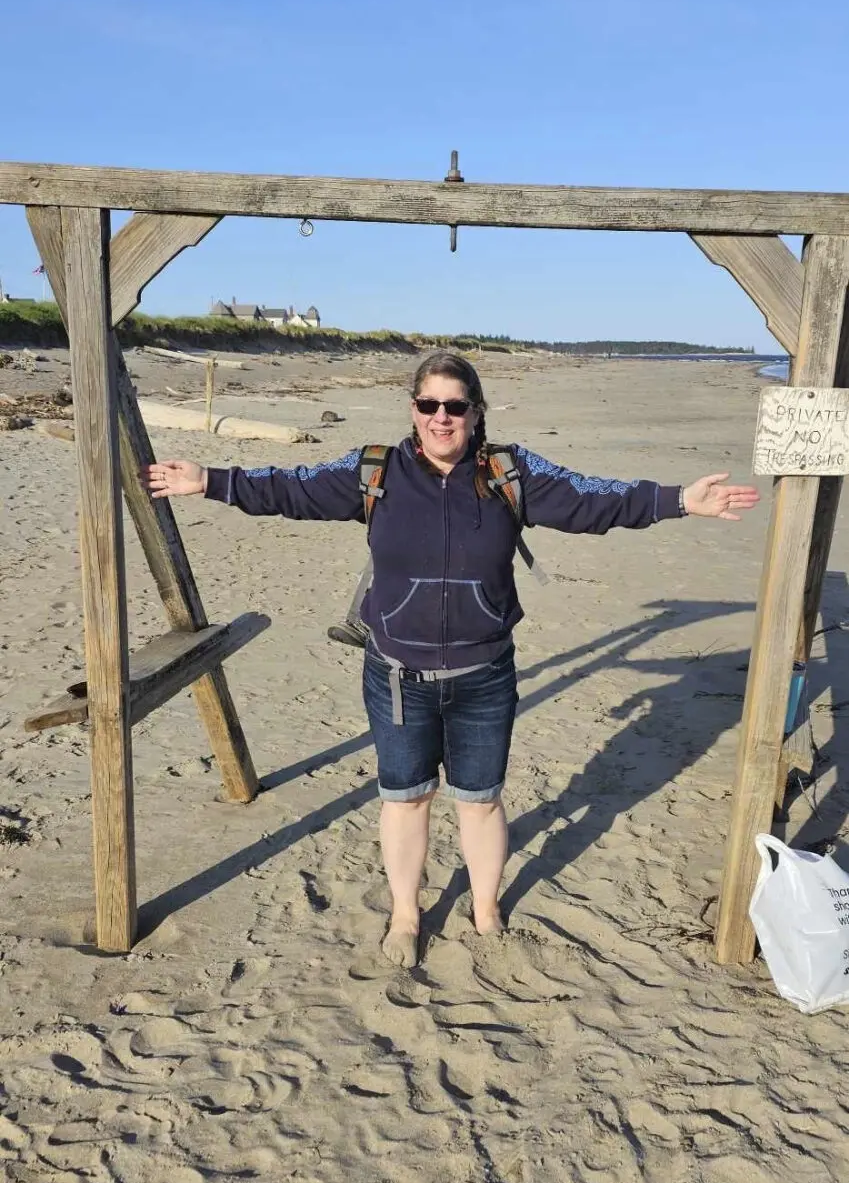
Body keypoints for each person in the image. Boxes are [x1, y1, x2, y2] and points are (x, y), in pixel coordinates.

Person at [141, 352, 760, 969]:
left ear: (475, 411)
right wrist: (210, 481)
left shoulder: (508, 472)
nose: (441, 418)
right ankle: (406, 914)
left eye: (455, 406)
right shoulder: (373, 471)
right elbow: (291, 488)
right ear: (413, 409)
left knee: (480, 800)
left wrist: (680, 499)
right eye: (429, 405)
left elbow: (592, 500)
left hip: (485, 677)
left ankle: (486, 909)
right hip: (397, 678)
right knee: (405, 799)